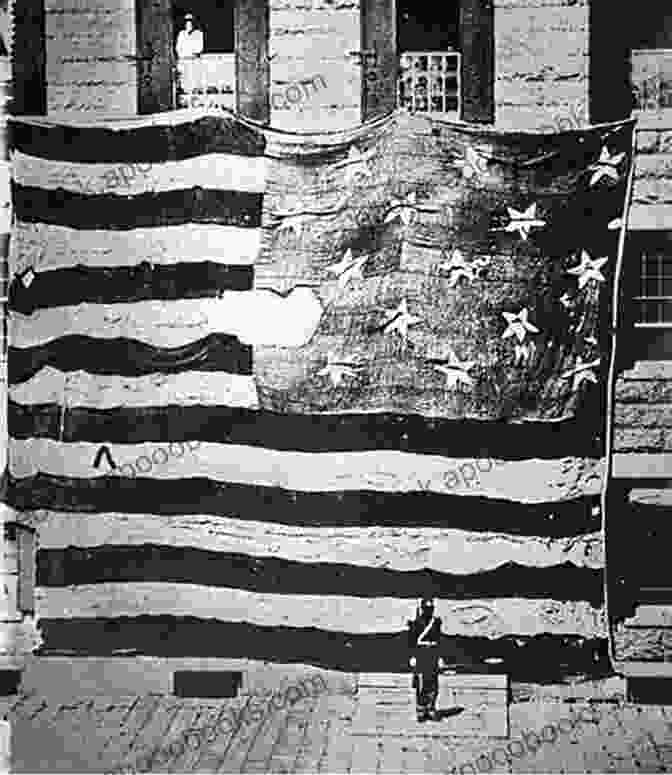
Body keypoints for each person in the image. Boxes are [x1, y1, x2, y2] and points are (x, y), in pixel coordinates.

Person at [407, 596, 445, 721]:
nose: (429, 610)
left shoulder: (437, 622)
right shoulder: (416, 623)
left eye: (431, 608)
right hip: (421, 654)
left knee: (433, 683)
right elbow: (411, 641)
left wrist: (440, 657)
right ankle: (421, 710)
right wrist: (412, 656)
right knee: (421, 683)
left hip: (433, 654)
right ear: (423, 609)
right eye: (426, 608)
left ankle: (431, 708)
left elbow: (439, 640)